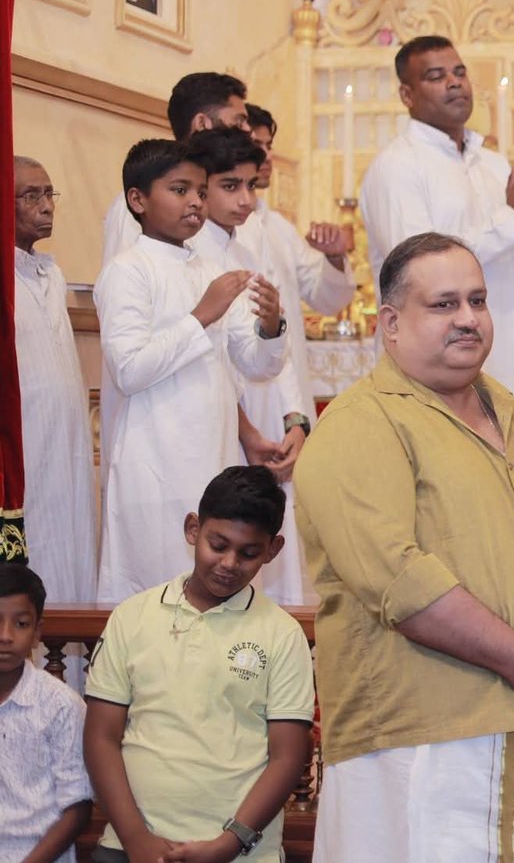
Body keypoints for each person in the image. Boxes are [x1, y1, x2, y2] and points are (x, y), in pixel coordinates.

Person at [295, 232, 514, 861]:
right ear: (391, 323)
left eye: (477, 300)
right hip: (426, 736)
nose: (469, 318)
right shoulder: (361, 423)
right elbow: (398, 578)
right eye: (444, 304)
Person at [83, 466, 314, 863]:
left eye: (248, 553)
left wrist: (229, 843)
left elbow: (288, 757)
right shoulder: (131, 617)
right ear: (193, 529)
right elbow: (101, 737)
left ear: (272, 550)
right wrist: (136, 838)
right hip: (129, 847)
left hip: (240, 853)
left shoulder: (282, 634)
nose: (229, 563)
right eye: (218, 545)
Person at [94, 139, 287, 602]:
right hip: (155, 458)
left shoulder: (210, 269)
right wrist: (200, 316)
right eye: (180, 190)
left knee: (215, 587)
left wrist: (270, 326)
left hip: (212, 452)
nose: (196, 202)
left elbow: (255, 364)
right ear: (138, 199)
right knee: (157, 588)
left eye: (201, 191)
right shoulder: (128, 271)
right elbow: (129, 370)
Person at [361, 35, 514, 405]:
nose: (454, 83)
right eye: (436, 76)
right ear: (407, 94)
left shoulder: (493, 165)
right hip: (430, 374)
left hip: (504, 360)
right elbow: (419, 271)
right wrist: (512, 217)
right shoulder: (396, 167)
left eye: (459, 73)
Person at [185, 128, 313, 604]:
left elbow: (268, 355)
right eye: (230, 186)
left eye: (252, 186)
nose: (246, 200)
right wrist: (246, 429)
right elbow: (205, 360)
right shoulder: (188, 251)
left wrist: (294, 420)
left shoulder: (247, 245)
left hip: (256, 417)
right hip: (210, 420)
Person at [14, 157, 96, 606]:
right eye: (31, 196)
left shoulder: (51, 272)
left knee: (72, 536)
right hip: (25, 443)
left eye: (49, 194)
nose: (46, 206)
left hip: (67, 442)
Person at [245, 102, 358, 426]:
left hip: (288, 390)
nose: (267, 156)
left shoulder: (279, 227)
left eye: (269, 145)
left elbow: (326, 300)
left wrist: (334, 257)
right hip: (243, 394)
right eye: (256, 145)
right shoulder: (206, 226)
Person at [102, 72, 253, 266]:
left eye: (203, 194)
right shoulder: (144, 204)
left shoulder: (247, 215)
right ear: (201, 123)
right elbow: (125, 274)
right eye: (239, 121)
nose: (249, 130)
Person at [0, 564, 93, 863]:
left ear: (37, 632)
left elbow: (78, 806)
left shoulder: (60, 705)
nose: (5, 636)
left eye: (21, 624)